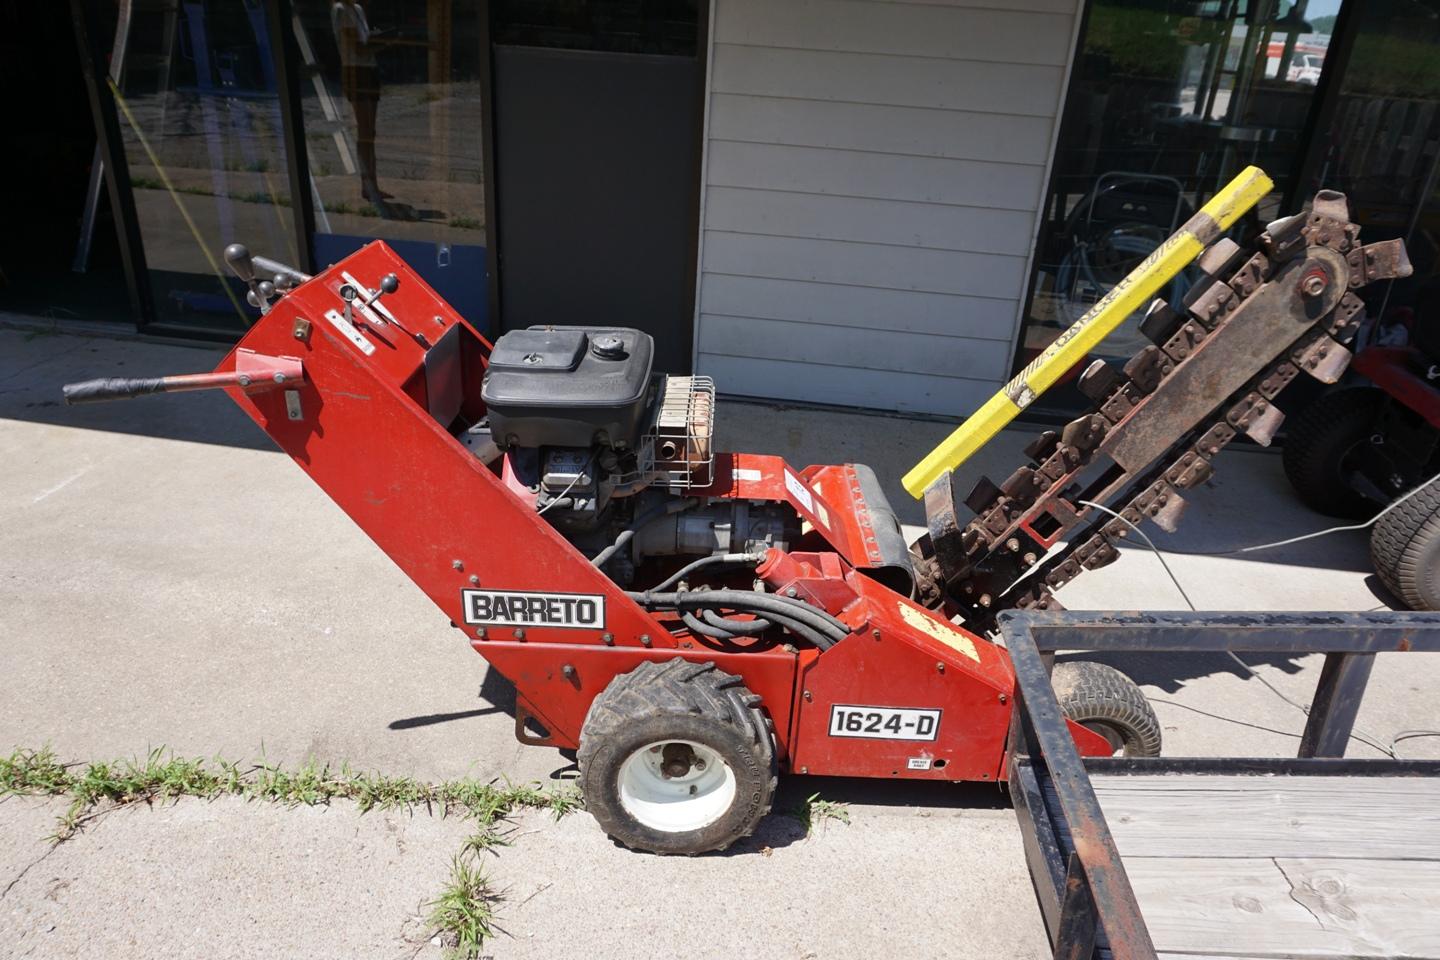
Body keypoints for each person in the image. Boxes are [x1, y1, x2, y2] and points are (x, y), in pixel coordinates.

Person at [331, 0, 386, 204]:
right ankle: (367, 184)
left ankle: (372, 183)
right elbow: (359, 48)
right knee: (365, 131)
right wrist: (386, 41)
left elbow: (364, 44)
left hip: (368, 70)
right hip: (355, 71)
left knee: (369, 131)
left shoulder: (358, 9)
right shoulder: (341, 10)